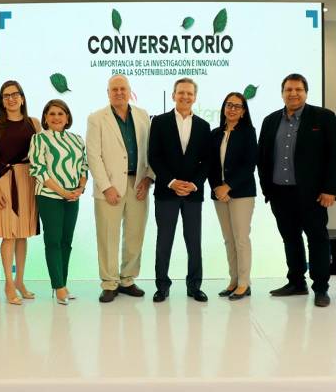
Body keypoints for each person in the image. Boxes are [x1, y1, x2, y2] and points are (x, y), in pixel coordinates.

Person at [257, 73, 336, 307]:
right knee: (290, 238)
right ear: (282, 93)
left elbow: (334, 156)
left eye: (298, 89)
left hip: (313, 194)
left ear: (306, 92)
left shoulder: (323, 117)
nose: (293, 94)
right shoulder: (271, 120)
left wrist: (330, 189)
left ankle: (321, 288)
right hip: (280, 193)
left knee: (317, 239)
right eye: (288, 90)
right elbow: (262, 156)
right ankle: (296, 282)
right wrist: (267, 189)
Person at [86, 75, 153, 303]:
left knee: (135, 235)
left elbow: (151, 151)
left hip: (138, 185)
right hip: (110, 188)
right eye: (114, 89)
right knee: (107, 236)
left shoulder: (143, 115)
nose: (119, 93)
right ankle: (109, 283)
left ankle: (127, 280)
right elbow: (93, 156)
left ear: (129, 91)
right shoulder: (97, 118)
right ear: (108, 92)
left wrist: (148, 179)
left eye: (123, 89)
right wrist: (106, 187)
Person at [149, 77, 211, 303]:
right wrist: (172, 182)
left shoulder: (204, 126)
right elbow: (154, 157)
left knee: (194, 242)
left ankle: (194, 286)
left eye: (189, 93)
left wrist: (194, 184)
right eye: (181, 93)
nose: (185, 97)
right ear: (173, 95)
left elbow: (207, 161)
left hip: (193, 194)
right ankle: (162, 286)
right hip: (167, 193)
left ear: (195, 97)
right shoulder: (159, 122)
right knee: (164, 240)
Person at [0, 80, 41, 305]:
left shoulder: (34, 123)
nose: (11, 98)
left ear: (22, 98)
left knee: (23, 234)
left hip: (28, 179)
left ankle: (20, 281)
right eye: (6, 95)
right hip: (5, 180)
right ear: (2, 101)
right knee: (8, 234)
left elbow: (43, 154)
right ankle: (8, 283)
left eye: (15, 94)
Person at [29, 99, 88, 305]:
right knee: (53, 240)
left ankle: (61, 283)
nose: (56, 117)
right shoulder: (39, 139)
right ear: (45, 117)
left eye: (60, 114)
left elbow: (83, 166)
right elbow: (38, 169)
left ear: (68, 118)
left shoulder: (77, 139)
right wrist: (63, 191)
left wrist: (80, 189)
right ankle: (59, 286)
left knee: (66, 241)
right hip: (49, 195)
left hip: (73, 196)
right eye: (52, 114)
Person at [208, 92, 257, 301]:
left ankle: (244, 283)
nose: (232, 109)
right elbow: (210, 164)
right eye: (229, 105)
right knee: (229, 240)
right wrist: (217, 188)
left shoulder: (248, 133)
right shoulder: (215, 133)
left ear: (244, 111)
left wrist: (228, 186)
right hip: (220, 194)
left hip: (241, 194)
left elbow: (249, 165)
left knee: (241, 239)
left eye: (237, 106)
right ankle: (234, 280)